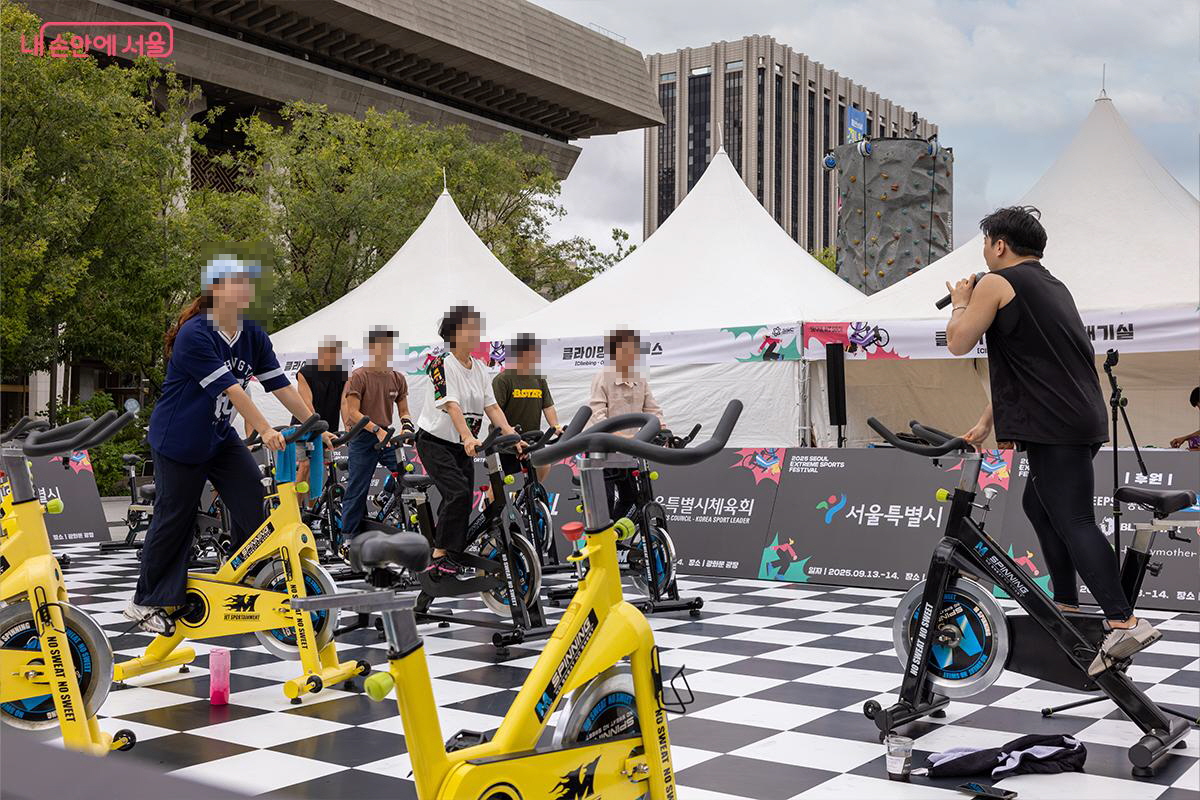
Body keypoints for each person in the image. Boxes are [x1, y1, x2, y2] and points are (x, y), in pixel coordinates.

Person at [944, 206, 1158, 675]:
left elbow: (958, 341)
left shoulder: (996, 283)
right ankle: (1067, 604)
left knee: (1074, 518)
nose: (985, 253)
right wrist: (986, 422)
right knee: (1039, 507)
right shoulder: (1053, 286)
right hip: (1074, 417)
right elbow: (1033, 366)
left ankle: (1123, 622)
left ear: (1000, 245)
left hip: (1056, 424)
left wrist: (961, 299)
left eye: (986, 244)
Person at [125, 257, 325, 633]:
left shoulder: (252, 334)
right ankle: (145, 602)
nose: (246, 290)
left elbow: (279, 385)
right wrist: (264, 429)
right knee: (175, 517)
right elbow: (233, 389)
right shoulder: (195, 334)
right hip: (179, 439)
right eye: (237, 283)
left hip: (218, 437)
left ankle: (245, 575)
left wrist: (315, 425)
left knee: (253, 499)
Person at [415, 306, 522, 576]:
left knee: (461, 497)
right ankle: (439, 556)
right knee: (458, 492)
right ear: (454, 334)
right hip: (435, 440)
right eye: (469, 329)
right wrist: (467, 436)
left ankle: (451, 553)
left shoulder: (480, 368)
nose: (476, 334)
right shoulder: (441, 364)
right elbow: (451, 405)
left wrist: (512, 436)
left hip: (463, 444)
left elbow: (492, 407)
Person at [340, 328, 412, 543]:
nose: (386, 350)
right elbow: (353, 413)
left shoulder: (397, 378)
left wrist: (407, 426)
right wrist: (376, 430)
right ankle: (348, 538)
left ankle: (384, 496)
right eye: (382, 346)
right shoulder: (359, 376)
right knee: (357, 487)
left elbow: (404, 410)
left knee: (409, 475)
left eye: (389, 346)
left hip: (386, 436)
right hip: (363, 436)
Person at [588, 328, 666, 517]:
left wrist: (663, 429)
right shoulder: (602, 377)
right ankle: (604, 532)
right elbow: (598, 415)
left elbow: (652, 409)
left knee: (632, 499)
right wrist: (621, 437)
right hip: (601, 448)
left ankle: (616, 533)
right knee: (604, 501)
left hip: (630, 448)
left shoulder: (640, 378)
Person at [491, 333, 562, 484]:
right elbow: (494, 411)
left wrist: (556, 427)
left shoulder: (539, 379)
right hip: (505, 440)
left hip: (531, 438)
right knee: (502, 484)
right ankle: (492, 501)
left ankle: (531, 493)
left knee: (543, 464)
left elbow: (548, 406)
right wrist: (508, 432)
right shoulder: (502, 380)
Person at [292, 338, 348, 500]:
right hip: (303, 428)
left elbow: (344, 403)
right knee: (305, 466)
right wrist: (319, 430)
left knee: (318, 471)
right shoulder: (306, 372)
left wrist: (349, 429)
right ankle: (295, 510)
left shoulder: (343, 373)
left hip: (327, 430)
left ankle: (313, 511)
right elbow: (307, 405)